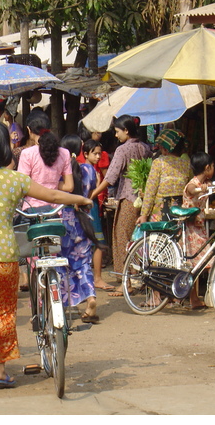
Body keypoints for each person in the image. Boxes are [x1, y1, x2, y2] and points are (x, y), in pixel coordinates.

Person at [0, 122, 92, 394]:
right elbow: (51, 194)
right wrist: (81, 200)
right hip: (5, 258)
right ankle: (0, 371)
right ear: (6, 147)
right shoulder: (16, 180)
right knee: (2, 315)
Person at [90, 115, 152, 293]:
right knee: (139, 239)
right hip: (143, 199)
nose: (116, 136)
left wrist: (93, 193)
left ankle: (127, 282)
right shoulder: (145, 148)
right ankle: (137, 278)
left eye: (117, 132)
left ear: (126, 131)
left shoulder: (122, 150)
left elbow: (111, 177)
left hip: (128, 198)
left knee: (122, 238)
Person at [58, 135, 102, 322]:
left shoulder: (60, 173)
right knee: (83, 263)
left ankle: (63, 304)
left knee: (61, 263)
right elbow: (91, 192)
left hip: (63, 221)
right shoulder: (89, 170)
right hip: (83, 220)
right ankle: (90, 298)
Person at [17, 111, 74, 213]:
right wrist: (52, 184)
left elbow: (22, 186)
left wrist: (40, 184)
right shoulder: (64, 153)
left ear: (29, 130)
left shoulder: (27, 153)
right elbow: (69, 186)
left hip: (32, 210)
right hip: (55, 210)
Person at [181, 151, 215, 310]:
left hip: (199, 229)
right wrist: (199, 189)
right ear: (207, 167)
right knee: (210, 261)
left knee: (195, 264)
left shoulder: (208, 183)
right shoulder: (193, 183)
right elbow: (191, 189)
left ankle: (194, 299)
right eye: (212, 166)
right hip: (190, 230)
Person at [137, 129, 193, 224]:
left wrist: (144, 215)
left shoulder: (159, 163)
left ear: (166, 149)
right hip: (180, 211)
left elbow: (150, 191)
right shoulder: (186, 164)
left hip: (161, 212)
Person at [80, 138, 113, 291]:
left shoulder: (85, 168)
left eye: (100, 154)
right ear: (86, 153)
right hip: (89, 208)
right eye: (95, 154)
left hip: (88, 208)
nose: (98, 157)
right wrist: (100, 184)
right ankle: (97, 277)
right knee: (98, 243)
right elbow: (88, 194)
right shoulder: (89, 170)